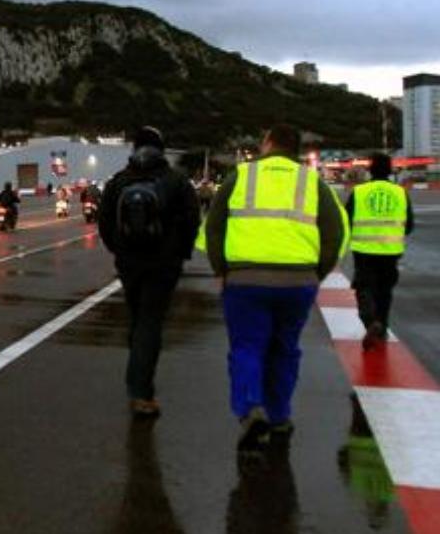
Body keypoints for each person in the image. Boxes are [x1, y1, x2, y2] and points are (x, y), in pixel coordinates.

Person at [199, 124, 349, 454]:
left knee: (247, 347)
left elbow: (214, 226)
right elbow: (335, 233)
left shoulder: (241, 176)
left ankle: (251, 409)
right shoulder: (313, 181)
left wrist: (220, 270)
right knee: (284, 350)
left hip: (245, 281)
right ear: (295, 149)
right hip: (298, 283)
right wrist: (316, 274)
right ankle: (279, 415)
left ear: (267, 143)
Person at [97, 127, 201, 417]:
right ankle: (141, 392)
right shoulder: (176, 181)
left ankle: (137, 375)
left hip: (129, 263)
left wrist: (118, 251)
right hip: (162, 264)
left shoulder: (119, 181)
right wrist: (180, 253)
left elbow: (105, 223)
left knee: (137, 316)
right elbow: (193, 220)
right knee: (150, 322)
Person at [346, 153, 413, 350]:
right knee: (385, 292)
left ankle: (370, 322)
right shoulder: (400, 193)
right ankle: (382, 329)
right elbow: (409, 225)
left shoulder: (359, 192)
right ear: (390, 171)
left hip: (364, 251)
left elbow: (346, 220)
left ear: (370, 171)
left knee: (364, 288)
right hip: (391, 252)